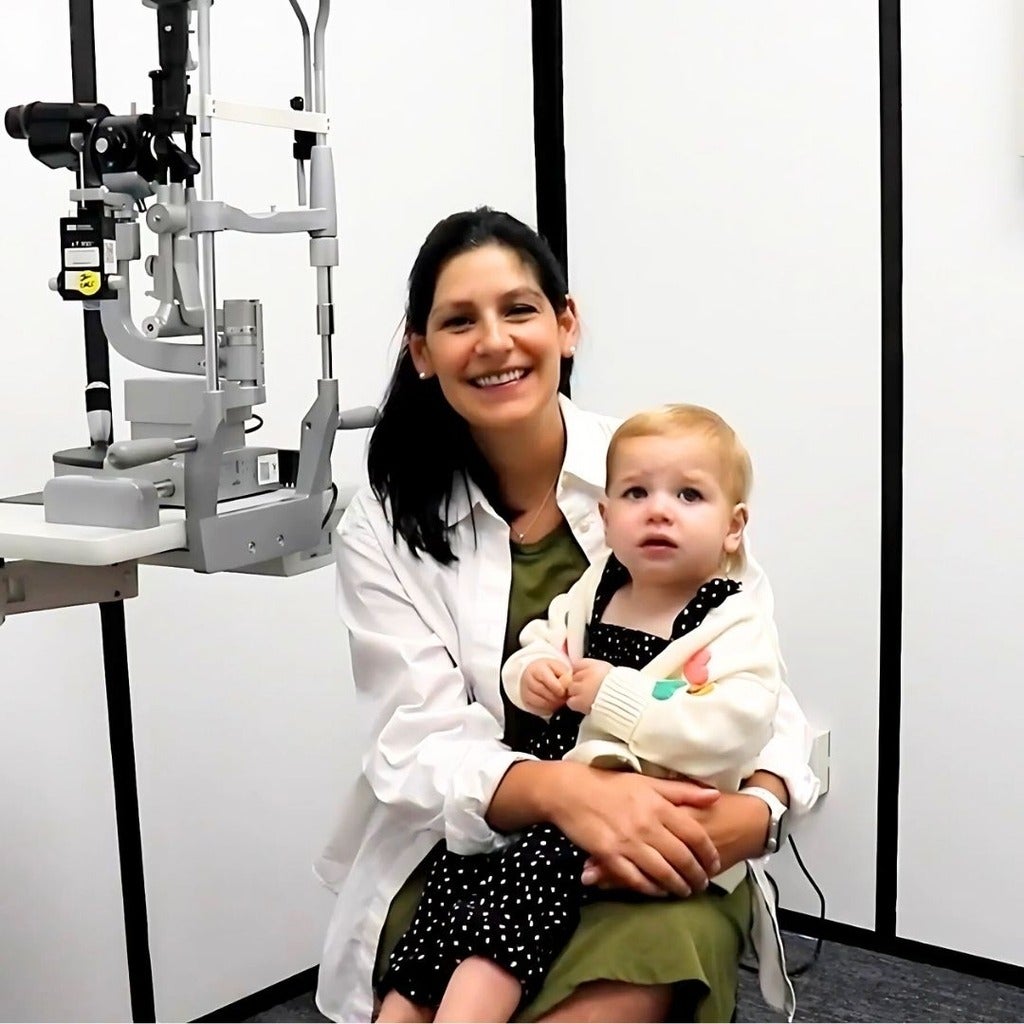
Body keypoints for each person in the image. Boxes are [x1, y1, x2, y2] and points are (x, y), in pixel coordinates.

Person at [314, 207, 820, 1024]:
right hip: (470, 838)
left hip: (655, 829)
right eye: (458, 322)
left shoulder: (659, 471)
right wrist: (560, 793)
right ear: (421, 352)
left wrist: (752, 815)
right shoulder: (382, 523)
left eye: (519, 310)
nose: (494, 342)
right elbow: (415, 745)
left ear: (566, 323)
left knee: (643, 955)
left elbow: (761, 693)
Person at [378, 404, 789, 1023]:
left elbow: (741, 725)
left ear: (734, 528)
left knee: (510, 904)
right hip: (546, 796)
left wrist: (612, 695)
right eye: (635, 493)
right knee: (452, 879)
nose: (658, 509)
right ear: (605, 517)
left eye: (688, 496)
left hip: (648, 811)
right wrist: (531, 676)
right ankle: (403, 1010)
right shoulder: (598, 586)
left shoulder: (731, 619)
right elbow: (543, 640)